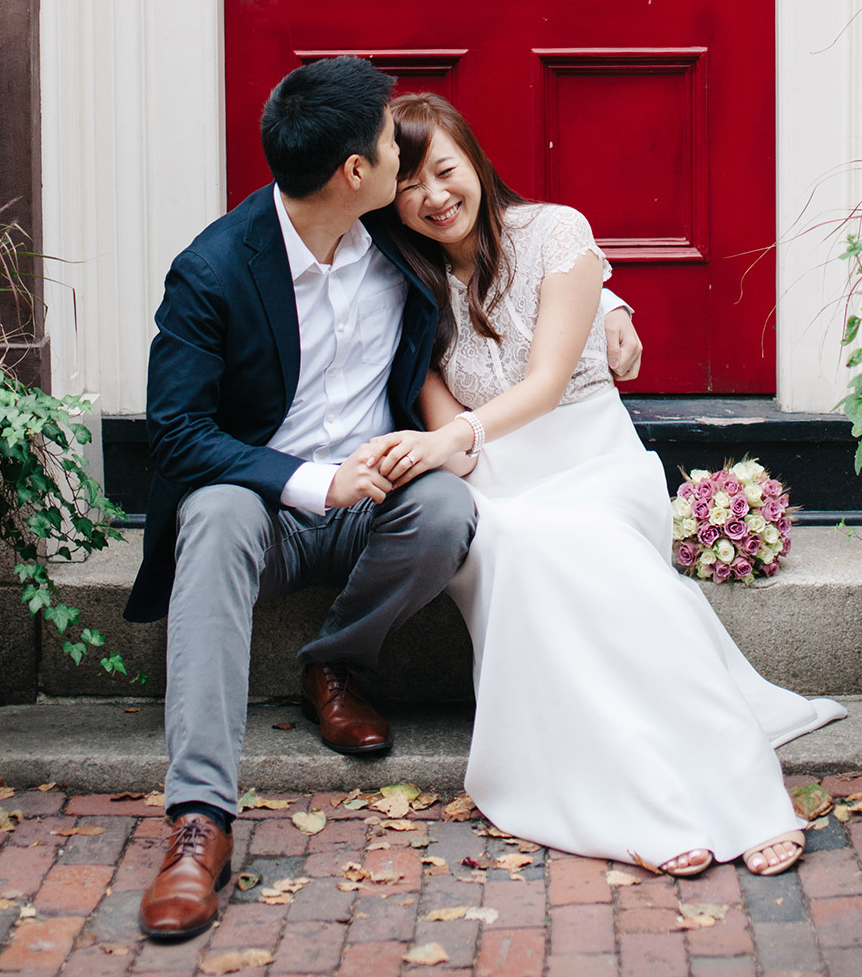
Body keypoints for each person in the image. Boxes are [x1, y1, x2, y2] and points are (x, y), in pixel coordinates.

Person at [123, 55, 647, 940]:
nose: (409, 166)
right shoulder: (213, 270)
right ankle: (199, 819)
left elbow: (514, 256)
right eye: (386, 147)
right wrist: (312, 480)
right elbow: (173, 434)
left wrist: (611, 307)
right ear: (355, 175)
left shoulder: (397, 248)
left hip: (386, 508)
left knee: (449, 508)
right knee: (211, 511)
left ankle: (336, 661)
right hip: (271, 513)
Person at [379, 93, 847, 877]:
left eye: (446, 171)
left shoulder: (555, 233)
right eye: (409, 186)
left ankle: (743, 790)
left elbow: (546, 379)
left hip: (593, 462)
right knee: (513, 541)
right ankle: (625, 798)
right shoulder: (406, 284)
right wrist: (424, 452)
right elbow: (453, 443)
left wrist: (606, 306)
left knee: (592, 545)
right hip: (505, 486)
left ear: (475, 162)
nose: (433, 197)